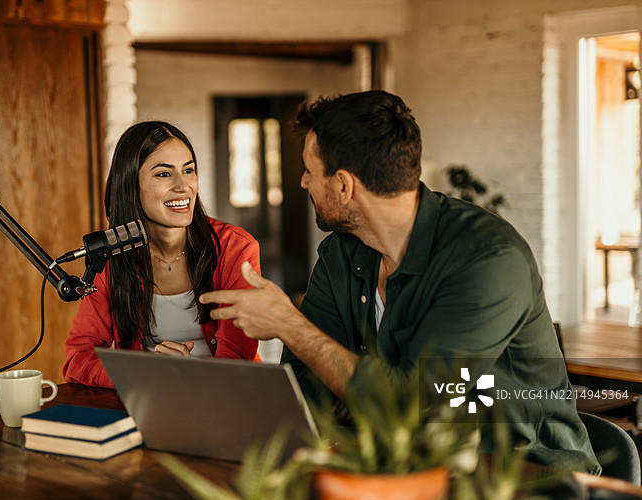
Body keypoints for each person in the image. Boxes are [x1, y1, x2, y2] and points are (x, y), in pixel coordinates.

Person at [200, 90, 599, 473]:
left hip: (529, 481)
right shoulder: (342, 253)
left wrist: (289, 324)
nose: (304, 182)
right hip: (402, 467)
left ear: (343, 185)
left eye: (309, 171)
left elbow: (412, 404)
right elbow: (307, 388)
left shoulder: (488, 259)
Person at [63, 121, 261, 388]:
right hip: (151, 399)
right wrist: (145, 373)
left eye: (188, 170)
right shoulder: (112, 258)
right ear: (132, 185)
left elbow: (237, 357)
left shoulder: (235, 248)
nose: (183, 186)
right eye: (164, 174)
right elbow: (78, 358)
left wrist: (190, 378)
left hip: (226, 397)